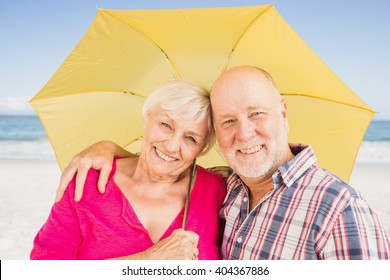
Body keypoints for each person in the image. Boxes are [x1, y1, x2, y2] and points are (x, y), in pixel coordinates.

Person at [55, 66, 390, 260]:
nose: (244, 134)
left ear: (283, 114)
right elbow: (161, 163)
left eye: (256, 113)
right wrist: (108, 149)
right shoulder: (230, 187)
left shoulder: (340, 209)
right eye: (228, 121)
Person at [30, 80, 227, 260]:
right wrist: (148, 260)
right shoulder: (87, 182)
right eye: (166, 125)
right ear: (147, 117)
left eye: (191, 138)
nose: (172, 146)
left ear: (202, 149)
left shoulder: (216, 190)